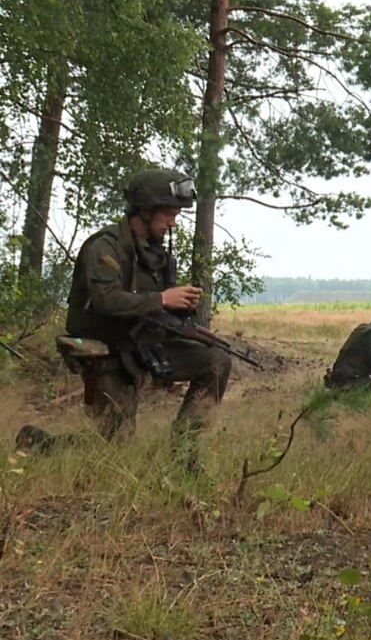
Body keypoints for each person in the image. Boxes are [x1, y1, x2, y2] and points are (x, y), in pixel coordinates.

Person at [16, 169, 232, 471]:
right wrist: (162, 299)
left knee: (217, 360)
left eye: (176, 215)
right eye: (168, 214)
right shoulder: (105, 247)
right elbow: (106, 299)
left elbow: (153, 305)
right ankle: (42, 445)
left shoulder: (157, 254)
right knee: (116, 451)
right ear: (145, 209)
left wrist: (179, 310)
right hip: (106, 351)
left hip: (143, 344)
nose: (173, 222)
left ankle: (184, 454)